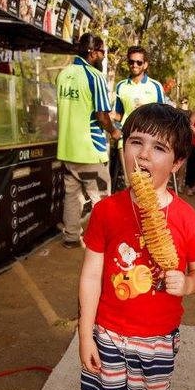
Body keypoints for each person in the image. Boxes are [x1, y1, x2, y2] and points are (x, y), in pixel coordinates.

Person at [77, 103, 195, 390]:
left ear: (178, 163)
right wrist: (84, 334)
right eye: (136, 142)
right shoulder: (106, 210)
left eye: (159, 148)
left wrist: (187, 283)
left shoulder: (187, 217)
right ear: (123, 148)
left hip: (158, 337)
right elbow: (90, 275)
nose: (144, 155)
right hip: (109, 332)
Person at [56, 33, 121, 249]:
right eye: (102, 52)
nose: (103, 56)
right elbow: (102, 116)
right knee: (101, 198)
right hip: (90, 150)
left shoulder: (63, 74)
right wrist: (114, 131)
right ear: (92, 53)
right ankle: (103, 241)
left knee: (71, 196)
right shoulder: (95, 77)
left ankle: (71, 237)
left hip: (67, 150)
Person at [111, 45, 165, 184]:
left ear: (145, 64)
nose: (134, 65)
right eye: (131, 61)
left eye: (139, 62)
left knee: (147, 183)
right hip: (127, 139)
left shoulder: (155, 86)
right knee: (130, 181)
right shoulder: (121, 86)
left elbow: (163, 116)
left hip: (150, 141)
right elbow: (119, 114)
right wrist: (111, 119)